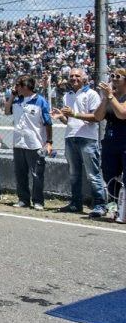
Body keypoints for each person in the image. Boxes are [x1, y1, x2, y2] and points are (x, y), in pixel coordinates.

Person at [51, 68, 107, 217]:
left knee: (92, 174)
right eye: (71, 76)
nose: (74, 78)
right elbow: (69, 121)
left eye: (77, 76)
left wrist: (73, 114)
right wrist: (61, 116)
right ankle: (76, 204)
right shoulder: (67, 95)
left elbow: (96, 117)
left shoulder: (91, 94)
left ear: (84, 78)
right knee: (74, 174)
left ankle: (100, 205)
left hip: (87, 138)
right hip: (70, 137)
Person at [4, 75, 53, 210]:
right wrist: (12, 96)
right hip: (18, 143)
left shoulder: (40, 101)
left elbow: (48, 123)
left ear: (25, 86)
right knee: (20, 173)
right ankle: (23, 199)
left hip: (35, 144)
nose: (15, 88)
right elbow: (7, 111)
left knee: (37, 174)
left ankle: (38, 201)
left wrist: (49, 141)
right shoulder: (17, 100)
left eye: (17, 86)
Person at [94, 68, 126, 206]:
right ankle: (114, 205)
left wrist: (111, 97)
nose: (113, 79)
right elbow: (98, 116)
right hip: (110, 142)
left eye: (118, 76)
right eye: (112, 76)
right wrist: (105, 98)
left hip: (125, 142)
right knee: (110, 175)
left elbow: (122, 114)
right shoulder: (110, 96)